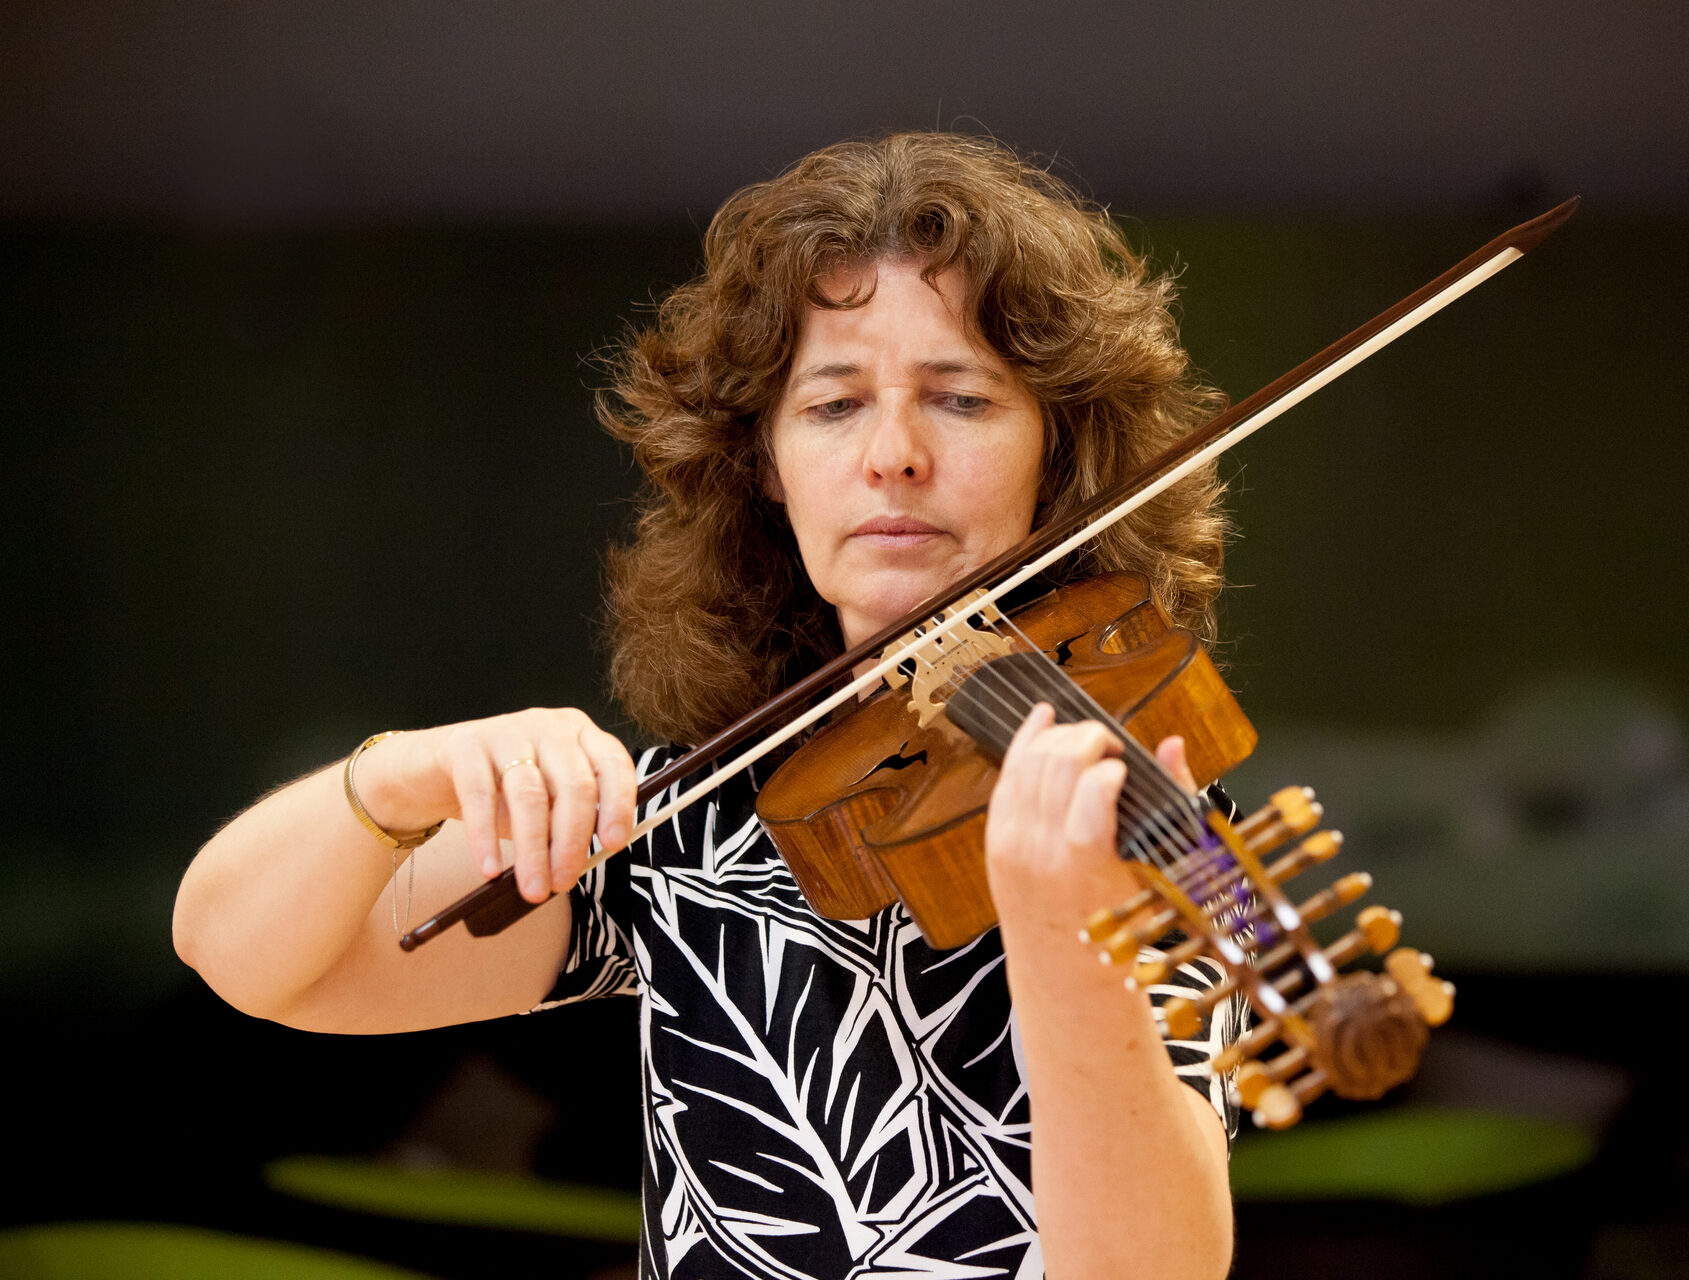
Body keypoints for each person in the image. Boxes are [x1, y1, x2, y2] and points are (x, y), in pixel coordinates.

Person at [175, 132, 1241, 1280]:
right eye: (834, 405)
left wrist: (1066, 942)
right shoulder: (697, 822)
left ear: (1056, 450)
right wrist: (397, 779)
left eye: (962, 397)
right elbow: (245, 956)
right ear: (768, 464)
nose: (895, 454)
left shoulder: (1163, 810)